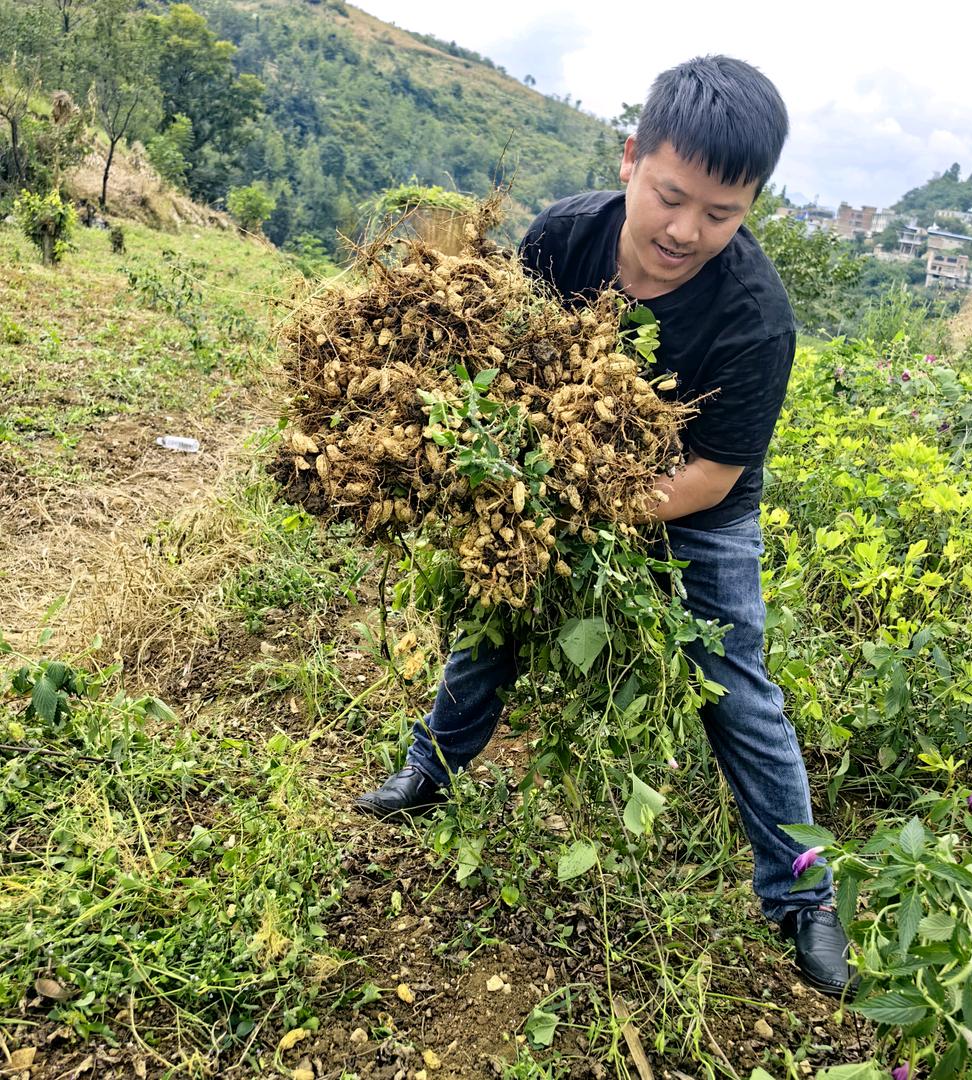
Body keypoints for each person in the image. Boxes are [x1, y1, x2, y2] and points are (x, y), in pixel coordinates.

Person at [356, 55, 857, 998]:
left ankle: (805, 900)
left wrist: (578, 510)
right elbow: (502, 364)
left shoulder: (757, 319)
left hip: (691, 507)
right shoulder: (561, 240)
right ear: (632, 158)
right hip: (558, 473)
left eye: (722, 214)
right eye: (671, 196)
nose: (686, 230)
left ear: (751, 205)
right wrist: (517, 486)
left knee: (732, 684)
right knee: (494, 619)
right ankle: (429, 774)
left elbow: (710, 476)